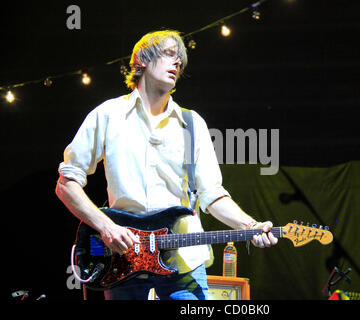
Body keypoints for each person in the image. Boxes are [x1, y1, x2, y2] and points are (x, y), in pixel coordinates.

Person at [55, 30, 278, 300]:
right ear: (142, 60)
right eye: (169, 55)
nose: (177, 63)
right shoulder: (108, 115)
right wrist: (106, 227)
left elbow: (212, 194)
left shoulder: (192, 124)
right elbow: (66, 185)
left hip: (183, 262)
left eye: (180, 60)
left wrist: (249, 225)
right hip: (123, 259)